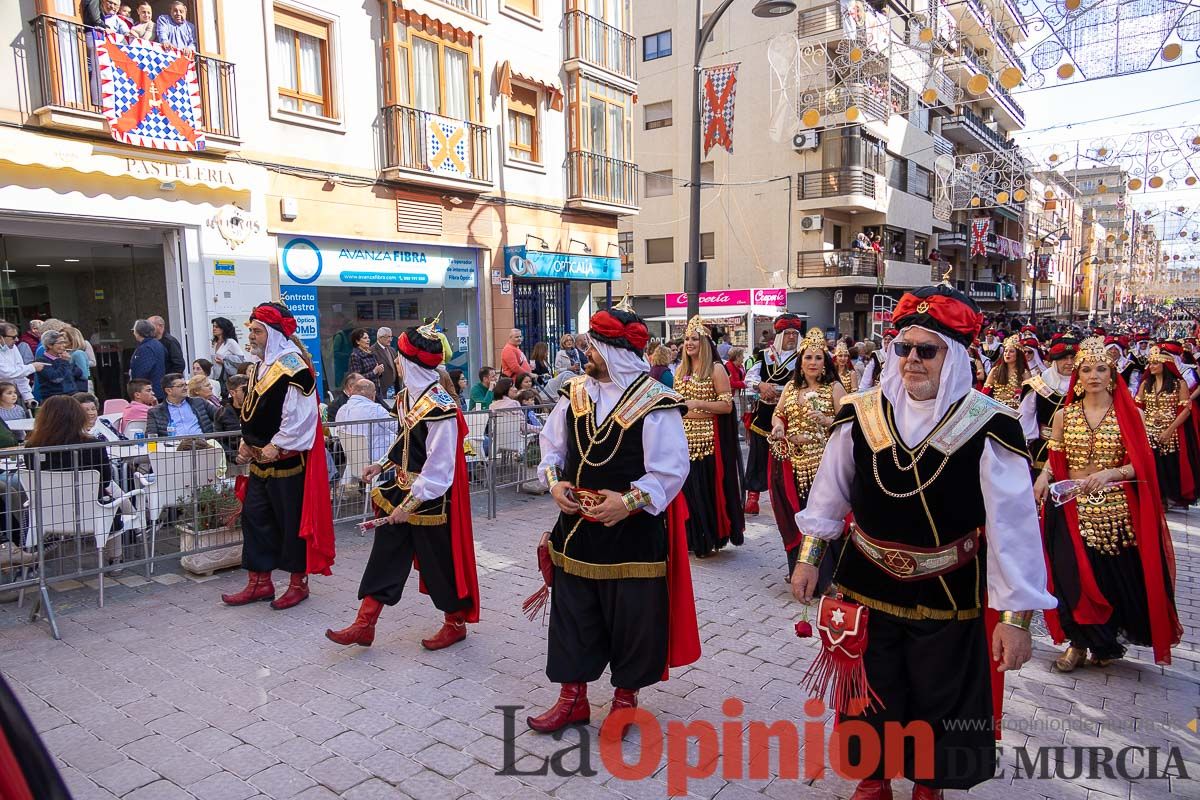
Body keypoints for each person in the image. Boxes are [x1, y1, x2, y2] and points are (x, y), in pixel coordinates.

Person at [791, 283, 1055, 797]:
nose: (912, 360)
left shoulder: (990, 425)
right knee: (869, 694)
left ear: (952, 356)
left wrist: (1016, 618)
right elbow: (828, 495)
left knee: (941, 699)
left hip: (947, 590)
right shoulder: (862, 413)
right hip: (866, 583)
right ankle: (873, 780)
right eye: (903, 347)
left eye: (927, 350)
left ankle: (927, 786)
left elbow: (1014, 528)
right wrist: (808, 559)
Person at [527, 299, 698, 738]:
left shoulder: (655, 402)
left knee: (632, 622)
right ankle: (573, 699)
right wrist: (554, 483)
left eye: (595, 346)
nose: (588, 353)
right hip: (576, 533)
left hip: (632, 537)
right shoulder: (576, 393)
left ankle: (625, 700)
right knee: (572, 617)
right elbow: (552, 449)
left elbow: (671, 470)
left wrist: (628, 501)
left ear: (615, 350)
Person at [326, 319, 479, 650]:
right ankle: (364, 623)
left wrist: (408, 506)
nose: (395, 361)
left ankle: (455, 623)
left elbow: (440, 465)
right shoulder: (407, 396)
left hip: (431, 497)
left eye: (400, 357)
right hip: (401, 488)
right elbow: (404, 440)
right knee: (385, 556)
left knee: (438, 563)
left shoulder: (442, 406)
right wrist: (380, 464)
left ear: (410, 362)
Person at [1036, 336, 1182, 674]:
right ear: (1078, 375)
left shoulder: (1128, 416)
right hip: (1068, 503)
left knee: (1106, 577)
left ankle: (1101, 642)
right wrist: (1043, 478)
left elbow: (1140, 465)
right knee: (1070, 575)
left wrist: (1109, 473)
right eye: (1086, 369)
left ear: (1112, 372)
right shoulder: (1066, 414)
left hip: (1112, 510)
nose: (1093, 375)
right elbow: (1054, 457)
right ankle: (1077, 643)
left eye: (1101, 368)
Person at [222, 303, 335, 611]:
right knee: (255, 519)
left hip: (286, 461)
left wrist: (279, 443)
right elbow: (257, 410)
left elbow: (300, 416)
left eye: (258, 331)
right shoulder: (259, 366)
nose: (253, 337)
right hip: (259, 460)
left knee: (290, 523)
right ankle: (259, 583)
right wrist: (247, 441)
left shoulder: (293, 366)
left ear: (273, 333)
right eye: (251, 331)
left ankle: (298, 584)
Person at [769, 328, 846, 579]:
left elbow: (848, 423)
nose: (813, 362)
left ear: (825, 362)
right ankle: (798, 572)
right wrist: (779, 426)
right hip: (792, 463)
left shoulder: (834, 388)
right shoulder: (791, 387)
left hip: (822, 464)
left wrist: (826, 420)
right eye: (808, 358)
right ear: (800, 362)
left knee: (822, 516)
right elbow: (778, 413)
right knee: (795, 516)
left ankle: (826, 576)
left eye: (818, 358)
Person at [675, 316, 744, 558]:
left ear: (704, 342)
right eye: (686, 339)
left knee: (704, 489)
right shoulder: (680, 370)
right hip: (682, 440)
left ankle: (708, 538)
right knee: (686, 491)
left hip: (707, 441)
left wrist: (697, 404)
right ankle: (690, 538)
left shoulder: (716, 369)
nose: (689, 343)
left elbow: (726, 405)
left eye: (694, 339)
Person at [743, 313, 804, 515]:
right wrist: (760, 385)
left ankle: (789, 497)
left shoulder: (803, 357)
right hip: (765, 414)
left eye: (795, 334)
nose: (792, 338)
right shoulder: (763, 355)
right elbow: (748, 379)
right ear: (779, 335)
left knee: (789, 459)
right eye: (787, 334)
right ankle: (753, 497)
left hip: (792, 415)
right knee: (758, 457)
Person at [1134, 343, 1196, 507]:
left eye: (1155, 363)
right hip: (1148, 430)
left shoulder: (1178, 384)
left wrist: (1170, 430)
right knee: (1152, 465)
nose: (1151, 366)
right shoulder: (1145, 384)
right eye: (1150, 363)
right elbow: (1138, 407)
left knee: (1170, 464)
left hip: (1171, 431)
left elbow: (1185, 410)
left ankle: (1170, 496)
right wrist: (1142, 429)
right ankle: (1157, 498)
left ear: (1165, 364)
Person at [1019, 335, 1077, 473]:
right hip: (1044, 448)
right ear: (1055, 361)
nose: (1069, 362)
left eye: (1073, 358)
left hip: (1077, 447)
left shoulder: (1086, 385)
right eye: (1064, 358)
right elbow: (1025, 418)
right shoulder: (1037, 384)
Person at [334, 378, 397, 463]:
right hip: (379, 463)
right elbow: (399, 428)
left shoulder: (341, 410)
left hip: (353, 463)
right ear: (373, 394)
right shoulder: (375, 409)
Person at [146, 374, 215, 437]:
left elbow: (220, 416)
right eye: (181, 386)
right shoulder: (155, 412)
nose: (185, 388)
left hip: (204, 445)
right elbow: (151, 436)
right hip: (173, 448)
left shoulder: (199, 402)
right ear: (168, 391)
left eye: (185, 385)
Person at [981, 335, 1029, 411]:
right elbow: (985, 391)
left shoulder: (1024, 373)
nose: (1007, 354)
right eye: (1006, 351)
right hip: (996, 409)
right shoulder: (995, 370)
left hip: (1015, 410)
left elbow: (1028, 396)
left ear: (1018, 355)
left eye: (1011, 351)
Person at [34, 331, 83, 401]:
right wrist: (65, 362)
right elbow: (56, 378)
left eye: (64, 342)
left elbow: (79, 373)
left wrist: (67, 362)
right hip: (54, 399)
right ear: (49, 345)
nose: (64, 345)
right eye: (60, 343)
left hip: (72, 396)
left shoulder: (62, 358)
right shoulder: (42, 360)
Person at [0, 323, 42, 404]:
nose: (17, 340)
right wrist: (32, 367)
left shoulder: (12, 347)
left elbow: (20, 373)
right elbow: (6, 373)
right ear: (0, 338)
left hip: (10, 396)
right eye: (13, 337)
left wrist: (28, 397)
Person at [129, 320, 167, 403]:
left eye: (134, 330)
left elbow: (143, 371)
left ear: (139, 332)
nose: (133, 333)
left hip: (150, 392)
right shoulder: (158, 344)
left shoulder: (145, 348)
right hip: (158, 388)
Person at [214, 374, 247, 455]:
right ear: (232, 392)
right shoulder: (222, 413)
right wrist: (234, 456)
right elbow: (219, 440)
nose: (249, 393)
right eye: (244, 389)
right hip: (235, 458)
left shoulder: (258, 409)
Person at [346, 328, 384, 398]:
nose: (368, 340)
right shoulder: (355, 355)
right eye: (365, 338)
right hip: (364, 393)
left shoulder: (371, 353)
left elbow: (375, 373)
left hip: (376, 390)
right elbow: (357, 379)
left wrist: (379, 371)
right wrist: (374, 371)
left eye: (368, 337)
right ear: (357, 341)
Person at [211, 317, 244, 390]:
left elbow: (241, 359)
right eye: (213, 326)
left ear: (223, 328)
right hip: (217, 376)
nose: (214, 329)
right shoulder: (216, 343)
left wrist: (224, 361)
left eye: (217, 327)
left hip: (227, 377)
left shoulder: (230, 342)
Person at [371, 326, 399, 399]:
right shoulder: (372, 351)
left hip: (394, 389)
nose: (390, 340)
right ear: (380, 338)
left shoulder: (392, 350)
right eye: (388, 337)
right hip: (381, 390)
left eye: (391, 337)